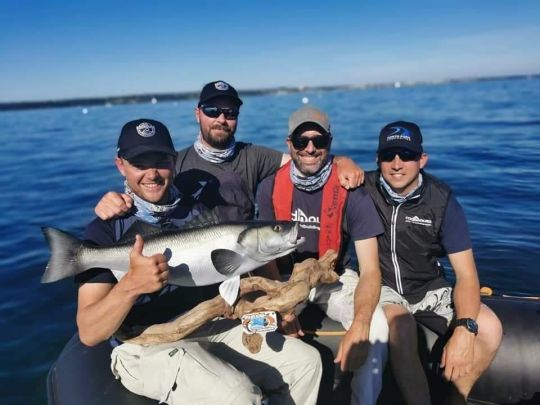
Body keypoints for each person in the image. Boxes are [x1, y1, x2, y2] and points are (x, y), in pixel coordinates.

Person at [76, 118, 323, 404]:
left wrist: (272, 306)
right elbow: (90, 332)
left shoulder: (197, 212)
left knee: (306, 363)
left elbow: (231, 276)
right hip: (143, 345)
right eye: (140, 164)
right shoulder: (106, 229)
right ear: (121, 165)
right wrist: (130, 286)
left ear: (174, 160)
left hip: (208, 325)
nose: (152, 174)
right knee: (239, 396)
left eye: (161, 161)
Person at [255, 106, 389, 405]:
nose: (311, 148)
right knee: (257, 325)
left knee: (378, 325)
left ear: (330, 142)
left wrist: (362, 322)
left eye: (319, 141)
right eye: (302, 141)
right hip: (286, 279)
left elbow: (370, 269)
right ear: (289, 143)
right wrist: (283, 305)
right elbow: (266, 258)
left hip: (336, 278)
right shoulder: (269, 188)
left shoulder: (353, 190)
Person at [363, 121, 503, 404]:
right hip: (384, 286)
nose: (397, 164)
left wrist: (464, 328)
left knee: (490, 327)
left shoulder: (442, 201)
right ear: (378, 159)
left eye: (407, 155)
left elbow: (466, 276)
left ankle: (457, 398)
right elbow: (326, 168)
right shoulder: (362, 189)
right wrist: (341, 162)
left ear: (422, 159)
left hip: (429, 287)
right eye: (389, 155)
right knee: (400, 326)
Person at [95, 80, 363, 221]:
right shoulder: (175, 163)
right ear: (197, 114)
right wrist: (117, 200)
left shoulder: (254, 156)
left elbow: (305, 159)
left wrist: (342, 161)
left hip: (244, 258)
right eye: (213, 111)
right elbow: (146, 189)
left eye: (230, 112)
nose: (222, 119)